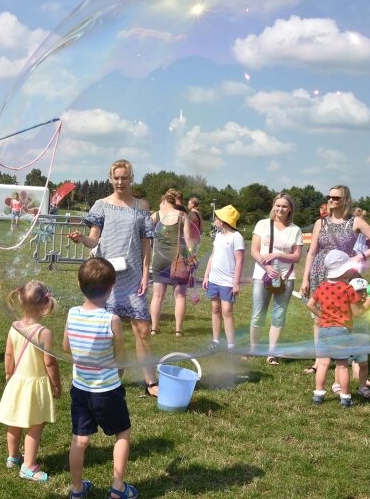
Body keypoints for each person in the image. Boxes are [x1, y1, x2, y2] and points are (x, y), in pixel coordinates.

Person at [67, 159, 157, 398]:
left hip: (134, 276)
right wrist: (82, 239)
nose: (120, 182)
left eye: (124, 178)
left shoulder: (141, 206)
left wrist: (146, 273)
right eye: (116, 178)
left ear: (131, 178)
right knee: (105, 330)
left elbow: (146, 243)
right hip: (107, 278)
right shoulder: (101, 205)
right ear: (110, 179)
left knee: (143, 329)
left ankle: (150, 381)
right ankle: (110, 375)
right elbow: (94, 240)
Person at [63, 257, 137, 499]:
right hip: (108, 390)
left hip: (80, 388)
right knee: (122, 433)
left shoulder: (72, 314)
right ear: (111, 287)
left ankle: (76, 490)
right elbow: (121, 356)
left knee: (80, 439)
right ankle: (117, 489)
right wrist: (120, 371)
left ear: (78, 284)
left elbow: (66, 347)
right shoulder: (111, 320)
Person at [299, 185, 370, 377]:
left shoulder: (356, 221)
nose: (331, 200)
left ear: (346, 200)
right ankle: (319, 360)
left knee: (348, 317)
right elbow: (312, 252)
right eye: (329, 197)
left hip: (345, 274)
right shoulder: (319, 223)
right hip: (320, 272)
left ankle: (350, 360)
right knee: (319, 318)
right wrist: (305, 278)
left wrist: (360, 257)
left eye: (336, 198)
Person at [306, 250, 370, 407]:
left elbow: (309, 304)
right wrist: (369, 302)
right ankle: (345, 397)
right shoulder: (347, 289)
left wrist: (322, 315)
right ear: (344, 270)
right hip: (341, 330)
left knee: (323, 364)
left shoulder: (322, 287)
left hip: (324, 330)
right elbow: (357, 313)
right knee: (342, 365)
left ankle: (318, 394)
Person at [0, 280, 61, 482]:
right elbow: (50, 363)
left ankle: (13, 457)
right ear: (45, 304)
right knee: (35, 425)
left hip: (17, 381)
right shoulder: (44, 333)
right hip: (35, 386)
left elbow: (8, 355)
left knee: (14, 422)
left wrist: (8, 375)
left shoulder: (14, 327)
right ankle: (28, 467)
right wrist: (56, 384)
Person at [248, 194, 303, 364]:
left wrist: (278, 255)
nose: (280, 209)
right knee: (258, 312)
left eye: (284, 206)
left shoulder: (295, 230)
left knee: (279, 315)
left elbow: (297, 257)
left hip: (286, 277)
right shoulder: (263, 224)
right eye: (277, 205)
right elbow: (254, 250)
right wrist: (267, 267)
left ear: (290, 209)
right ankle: (253, 349)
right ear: (273, 206)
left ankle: (271, 353)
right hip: (262, 275)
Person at [149, 189, 195, 337]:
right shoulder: (182, 215)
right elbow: (188, 238)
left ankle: (154, 328)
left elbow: (148, 235)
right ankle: (178, 330)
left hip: (159, 259)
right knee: (180, 296)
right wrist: (192, 255)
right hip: (178, 259)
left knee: (157, 296)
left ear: (163, 202)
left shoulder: (155, 215)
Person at [202, 205, 244, 350]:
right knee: (215, 308)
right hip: (214, 279)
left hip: (228, 280)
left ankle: (231, 345)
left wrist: (236, 282)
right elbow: (213, 256)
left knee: (226, 310)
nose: (214, 220)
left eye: (217, 218)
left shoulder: (237, 237)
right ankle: (216, 341)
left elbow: (239, 261)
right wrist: (206, 275)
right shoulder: (218, 236)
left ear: (224, 221)